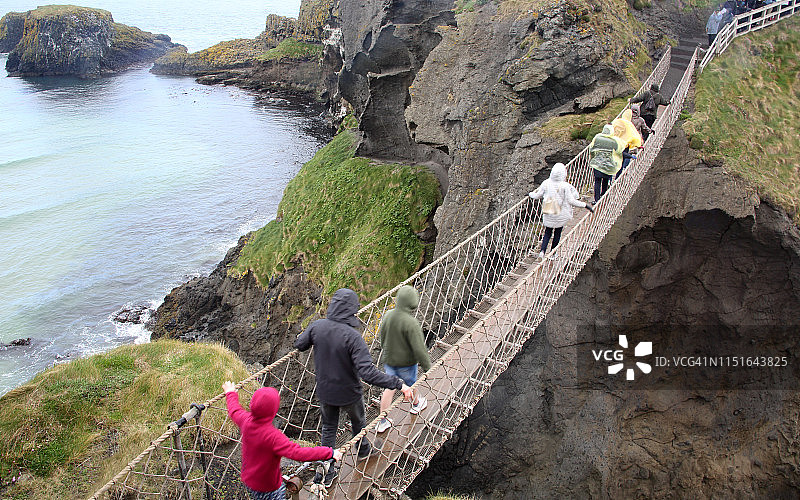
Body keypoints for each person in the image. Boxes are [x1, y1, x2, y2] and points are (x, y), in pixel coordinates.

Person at [294, 288, 414, 486]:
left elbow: (299, 344)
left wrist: (305, 337)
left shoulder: (317, 327)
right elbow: (368, 373)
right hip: (349, 393)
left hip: (325, 392)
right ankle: (363, 450)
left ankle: (326, 472)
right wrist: (398, 383)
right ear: (352, 310)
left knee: (329, 429)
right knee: (358, 423)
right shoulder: (353, 336)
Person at [222, 382, 343, 500]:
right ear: (274, 410)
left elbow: (235, 411)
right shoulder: (273, 437)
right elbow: (298, 453)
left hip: (250, 481)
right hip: (269, 487)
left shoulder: (246, 421)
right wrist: (329, 453)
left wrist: (230, 393)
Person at [375, 285, 432, 434]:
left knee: (389, 387)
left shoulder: (388, 315)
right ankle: (416, 405)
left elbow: (382, 335)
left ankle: (382, 421)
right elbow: (419, 348)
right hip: (406, 363)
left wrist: (385, 349)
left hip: (389, 360)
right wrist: (427, 367)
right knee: (411, 383)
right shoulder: (411, 323)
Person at [528, 162, 594, 259]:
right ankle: (553, 253)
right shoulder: (565, 186)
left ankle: (542, 251)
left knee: (547, 232)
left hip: (549, 212)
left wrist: (530, 194)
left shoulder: (546, 183)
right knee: (557, 233)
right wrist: (585, 205)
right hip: (560, 214)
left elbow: (537, 195)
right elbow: (571, 200)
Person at [588, 124, 625, 202]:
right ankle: (603, 196)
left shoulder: (597, 138)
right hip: (608, 164)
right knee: (605, 180)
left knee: (597, 181)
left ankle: (596, 199)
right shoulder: (614, 141)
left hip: (597, 163)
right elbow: (619, 152)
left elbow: (592, 149)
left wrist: (592, 158)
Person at [611, 109, 643, 180]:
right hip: (624, 146)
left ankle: (610, 180)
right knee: (621, 162)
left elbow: (611, 131)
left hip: (614, 144)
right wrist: (638, 145)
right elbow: (633, 136)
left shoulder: (617, 121)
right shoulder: (629, 125)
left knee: (612, 162)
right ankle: (617, 178)